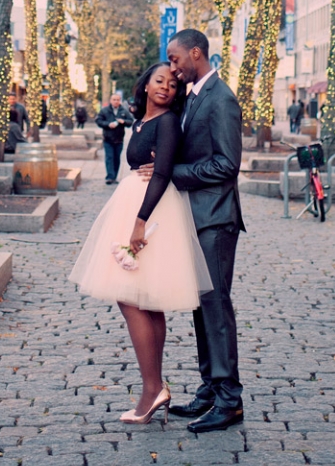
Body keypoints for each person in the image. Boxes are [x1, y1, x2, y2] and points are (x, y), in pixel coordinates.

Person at [70, 63, 211, 424]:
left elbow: (162, 172)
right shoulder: (141, 122)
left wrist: (140, 222)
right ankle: (154, 387)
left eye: (172, 84)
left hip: (151, 210)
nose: (166, 87)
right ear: (146, 84)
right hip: (136, 202)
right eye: (159, 80)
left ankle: (152, 388)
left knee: (131, 297)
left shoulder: (165, 122)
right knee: (145, 301)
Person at [159, 28, 245, 433]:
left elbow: (227, 165)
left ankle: (230, 400)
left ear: (197, 53)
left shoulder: (222, 99)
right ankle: (210, 390)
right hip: (196, 219)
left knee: (216, 307)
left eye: (175, 59)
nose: (172, 68)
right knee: (201, 306)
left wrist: (174, 174)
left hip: (216, 218)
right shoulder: (193, 97)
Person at [96, 92, 135, 184]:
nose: (116, 101)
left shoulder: (123, 111)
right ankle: (110, 177)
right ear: (111, 100)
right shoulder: (105, 110)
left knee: (116, 158)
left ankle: (114, 176)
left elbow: (130, 121)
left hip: (119, 139)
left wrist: (123, 121)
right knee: (109, 157)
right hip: (108, 139)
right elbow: (98, 120)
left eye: (118, 100)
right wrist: (108, 124)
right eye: (114, 99)